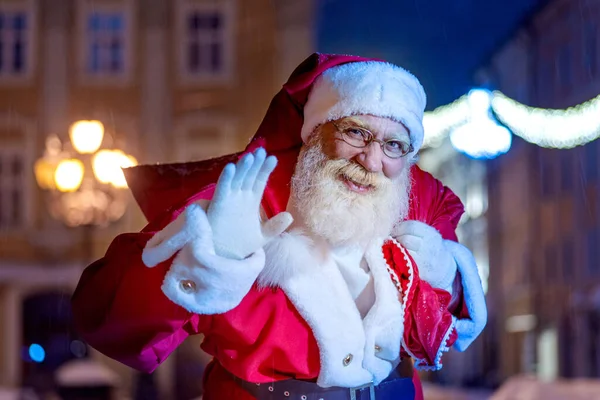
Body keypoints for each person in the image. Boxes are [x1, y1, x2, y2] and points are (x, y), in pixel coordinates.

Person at [71, 53, 487, 400]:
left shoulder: (415, 213)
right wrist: (213, 260)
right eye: (355, 133)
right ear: (313, 133)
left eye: (393, 144)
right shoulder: (245, 202)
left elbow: (444, 326)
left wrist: (443, 272)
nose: (371, 160)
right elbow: (115, 322)